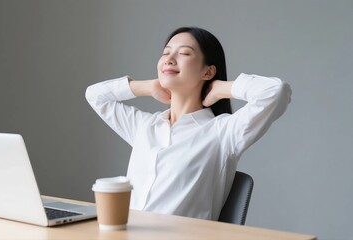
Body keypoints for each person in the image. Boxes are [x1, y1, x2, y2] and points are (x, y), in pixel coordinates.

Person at [85, 27, 291, 220]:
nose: (170, 59)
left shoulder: (222, 133)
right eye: (166, 53)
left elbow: (276, 92)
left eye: (183, 53)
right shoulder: (145, 127)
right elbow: (95, 96)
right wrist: (147, 86)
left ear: (208, 72)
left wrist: (222, 88)